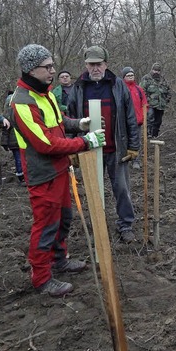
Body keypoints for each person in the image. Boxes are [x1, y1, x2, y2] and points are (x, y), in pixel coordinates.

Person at [12, 43, 106, 296]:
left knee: (64, 219)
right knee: (46, 225)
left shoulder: (46, 94)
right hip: (43, 175)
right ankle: (42, 278)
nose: (53, 71)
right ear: (31, 69)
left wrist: (79, 125)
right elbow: (44, 143)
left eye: (53, 66)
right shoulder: (22, 102)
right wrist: (85, 142)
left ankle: (59, 259)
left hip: (60, 169)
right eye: (48, 67)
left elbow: (58, 123)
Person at [67, 45, 140, 243]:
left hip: (116, 149)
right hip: (89, 149)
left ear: (106, 64)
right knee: (93, 189)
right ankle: (98, 226)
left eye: (99, 64)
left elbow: (131, 118)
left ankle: (125, 225)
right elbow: (70, 118)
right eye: (91, 64)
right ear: (86, 65)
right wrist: (73, 147)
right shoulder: (79, 87)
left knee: (122, 189)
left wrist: (133, 146)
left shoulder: (117, 85)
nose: (95, 68)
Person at [122, 66, 148, 169]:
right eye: (128, 75)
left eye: (132, 75)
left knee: (136, 141)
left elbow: (144, 103)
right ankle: (126, 160)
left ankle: (136, 161)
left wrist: (143, 115)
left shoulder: (139, 89)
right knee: (124, 140)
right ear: (124, 77)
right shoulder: (121, 89)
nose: (130, 77)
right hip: (124, 121)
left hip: (137, 121)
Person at [140, 63, 171, 138]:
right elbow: (142, 91)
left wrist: (167, 99)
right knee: (150, 117)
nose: (156, 72)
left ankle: (155, 134)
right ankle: (148, 133)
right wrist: (147, 100)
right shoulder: (146, 78)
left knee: (158, 120)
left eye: (158, 70)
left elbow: (168, 91)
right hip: (149, 104)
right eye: (155, 70)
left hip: (161, 104)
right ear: (152, 70)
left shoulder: (163, 80)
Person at [2, 90, 25, 185]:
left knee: (21, 158)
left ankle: (24, 176)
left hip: (20, 140)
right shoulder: (8, 116)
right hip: (15, 140)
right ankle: (21, 177)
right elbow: (5, 129)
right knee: (20, 159)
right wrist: (4, 141)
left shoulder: (23, 112)